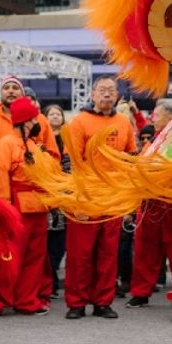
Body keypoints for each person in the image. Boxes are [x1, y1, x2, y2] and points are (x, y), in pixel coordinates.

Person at [61, 77, 137, 320]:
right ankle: (76, 302)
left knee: (108, 252)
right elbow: (70, 161)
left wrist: (129, 193)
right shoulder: (79, 122)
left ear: (116, 96)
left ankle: (103, 301)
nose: (107, 94)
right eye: (102, 90)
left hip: (113, 196)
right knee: (80, 253)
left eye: (111, 90)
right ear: (92, 94)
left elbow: (131, 158)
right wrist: (74, 195)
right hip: (86, 195)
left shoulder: (123, 122)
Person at [0, 97, 50, 316]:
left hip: (38, 207)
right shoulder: (5, 145)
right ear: (24, 122)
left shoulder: (33, 145)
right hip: (17, 207)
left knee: (34, 256)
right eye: (33, 119)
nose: (37, 122)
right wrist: (5, 209)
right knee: (9, 256)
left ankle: (26, 299)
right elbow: (0, 177)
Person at [127, 98, 172, 308]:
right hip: (150, 201)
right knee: (145, 249)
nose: (153, 118)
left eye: (156, 115)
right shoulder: (154, 141)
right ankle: (141, 292)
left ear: (171, 117)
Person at [0, 76, 58, 157]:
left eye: (15, 88)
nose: (11, 91)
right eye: (6, 88)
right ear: (0, 93)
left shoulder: (39, 119)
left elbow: (53, 154)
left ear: (22, 94)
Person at [43, 104, 70, 297]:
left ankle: (52, 278)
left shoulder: (68, 138)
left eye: (58, 113)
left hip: (63, 195)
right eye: (50, 114)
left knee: (59, 241)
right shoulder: (40, 139)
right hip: (45, 193)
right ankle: (49, 281)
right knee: (46, 241)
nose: (54, 117)